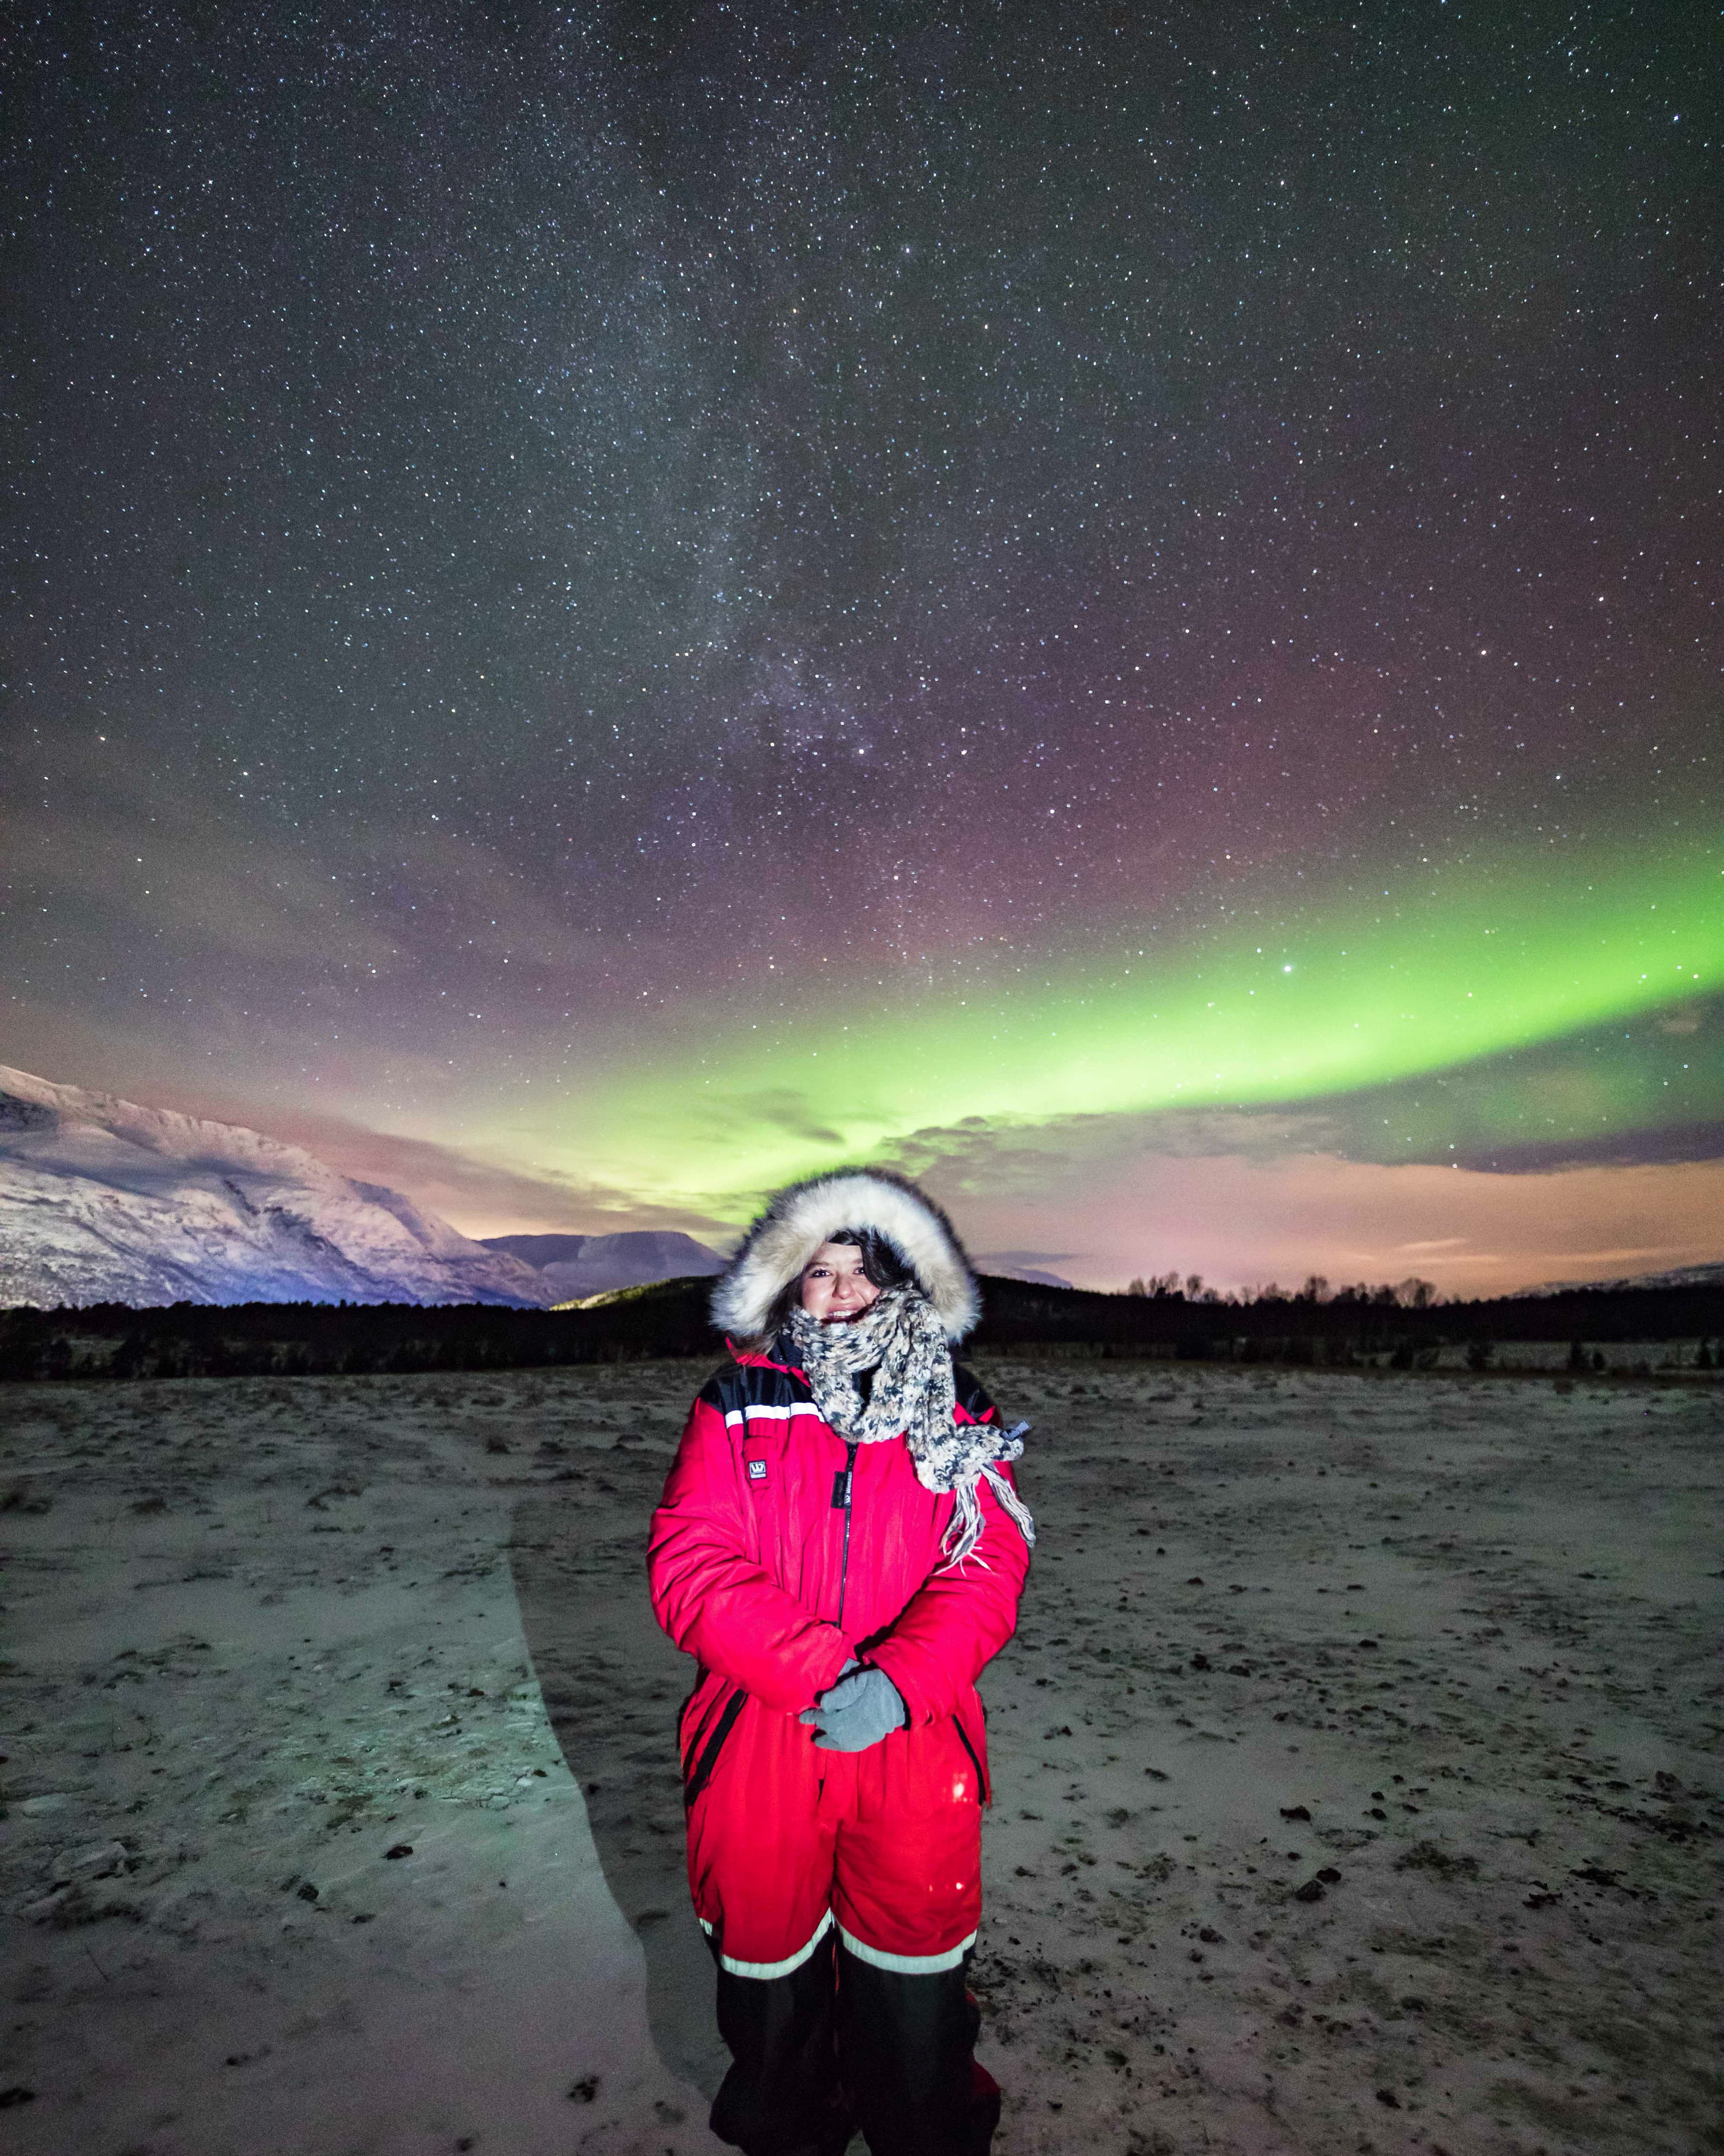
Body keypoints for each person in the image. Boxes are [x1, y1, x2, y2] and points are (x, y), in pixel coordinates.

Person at [647, 1167, 1035, 2156]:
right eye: (821, 1272)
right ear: (788, 1284)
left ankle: (923, 2129)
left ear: (905, 1278)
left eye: (865, 1268)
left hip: (911, 1737)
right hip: (762, 1734)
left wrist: (900, 1683)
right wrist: (824, 1674)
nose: (847, 1291)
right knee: (770, 1974)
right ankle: (791, 2132)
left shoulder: (958, 1407)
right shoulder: (740, 1400)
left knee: (914, 1970)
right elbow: (692, 1561)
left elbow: (989, 1560)